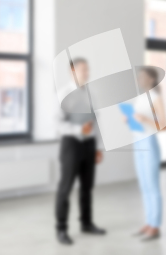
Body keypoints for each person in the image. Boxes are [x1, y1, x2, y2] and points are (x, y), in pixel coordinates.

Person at [55, 58, 106, 245]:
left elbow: (96, 122)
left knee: (87, 187)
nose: (86, 73)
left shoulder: (91, 93)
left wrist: (98, 148)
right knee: (65, 188)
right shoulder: (63, 94)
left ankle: (86, 223)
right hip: (71, 145)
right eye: (82, 69)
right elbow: (57, 124)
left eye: (87, 69)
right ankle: (61, 228)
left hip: (89, 145)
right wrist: (78, 130)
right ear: (72, 71)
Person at [130, 67, 166, 241]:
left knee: (152, 186)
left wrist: (144, 119)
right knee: (144, 185)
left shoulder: (156, 97)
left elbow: (164, 125)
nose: (139, 79)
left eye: (142, 77)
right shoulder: (140, 98)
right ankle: (149, 222)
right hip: (137, 141)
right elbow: (136, 119)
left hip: (149, 143)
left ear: (151, 79)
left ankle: (155, 225)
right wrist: (129, 119)